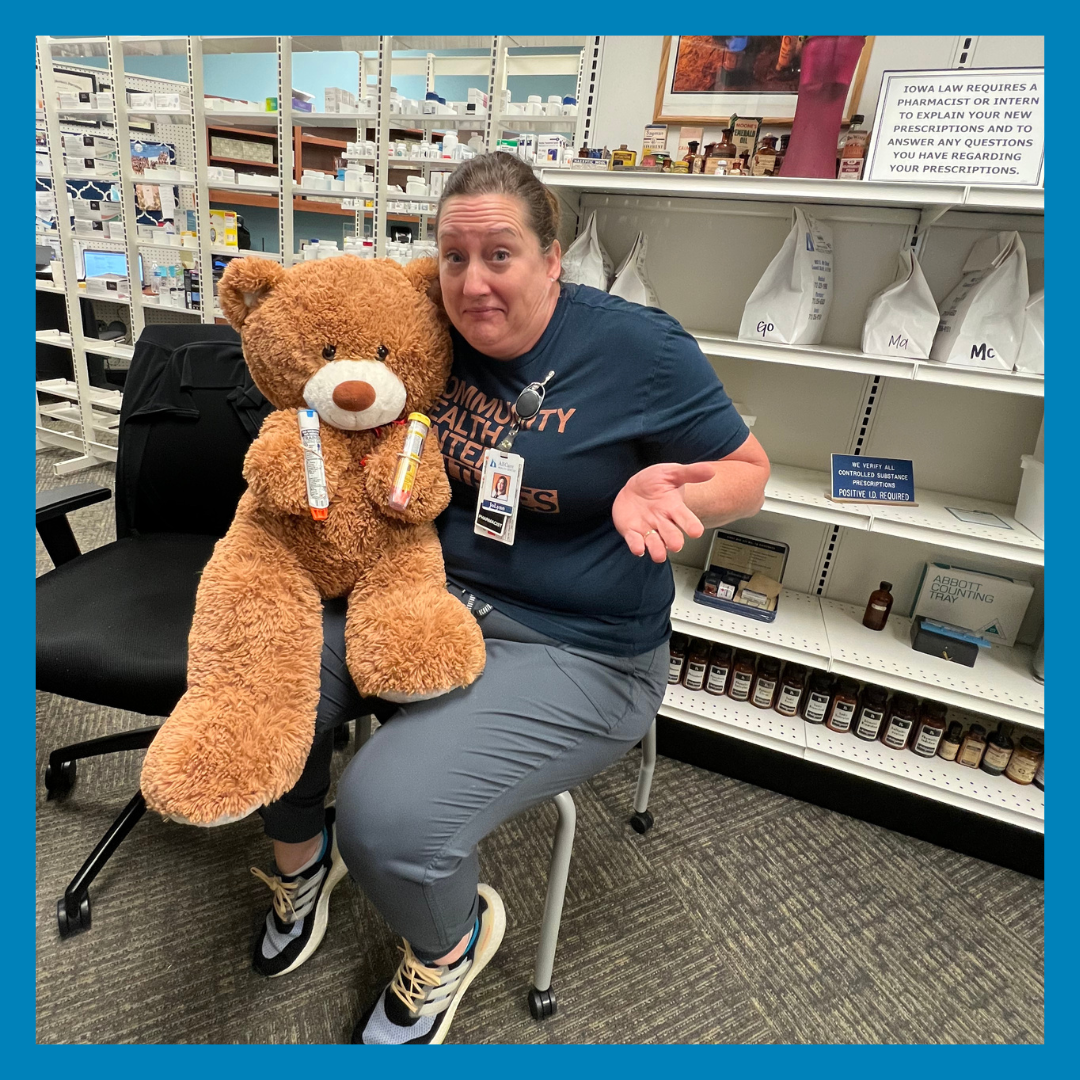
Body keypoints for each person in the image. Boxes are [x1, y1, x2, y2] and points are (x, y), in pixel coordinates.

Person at [248, 152, 770, 1044]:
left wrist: (676, 496)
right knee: (262, 680)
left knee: (387, 811)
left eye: (500, 255)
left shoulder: (638, 348)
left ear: (552, 257)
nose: (474, 282)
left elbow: (748, 475)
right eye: (454, 257)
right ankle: (304, 863)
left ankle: (449, 947)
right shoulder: (431, 333)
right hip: (428, 599)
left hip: (583, 646)